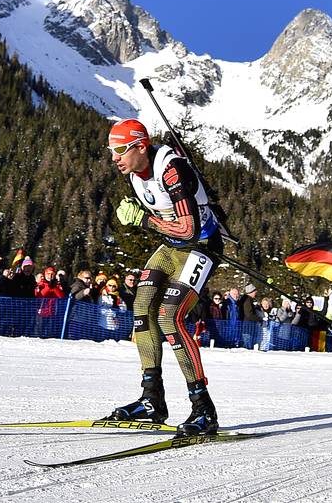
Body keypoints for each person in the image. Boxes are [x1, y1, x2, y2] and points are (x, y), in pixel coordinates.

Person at [104, 118, 224, 436]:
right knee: (142, 309)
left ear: (140, 147)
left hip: (200, 246)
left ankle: (203, 409)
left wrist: (143, 218)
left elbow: (188, 228)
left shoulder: (170, 169)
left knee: (170, 317)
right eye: (111, 150)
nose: (114, 157)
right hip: (172, 248)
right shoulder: (134, 171)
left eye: (119, 150)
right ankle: (151, 399)